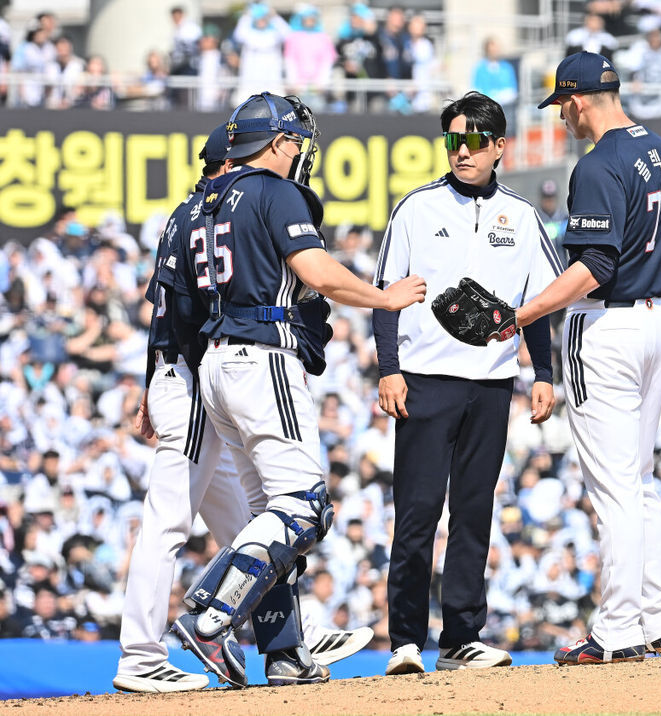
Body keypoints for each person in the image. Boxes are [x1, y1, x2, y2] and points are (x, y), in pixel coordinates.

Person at [168, 92, 425, 687]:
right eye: (296, 143)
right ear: (279, 143)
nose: (300, 154)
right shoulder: (274, 189)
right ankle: (211, 607)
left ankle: (284, 655)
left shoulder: (205, 199)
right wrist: (384, 297)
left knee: (270, 517)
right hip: (262, 360)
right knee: (304, 506)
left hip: (216, 363)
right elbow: (314, 271)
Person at [113, 124, 374, 693]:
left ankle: (283, 644)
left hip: (189, 370)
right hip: (194, 375)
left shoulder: (186, 214)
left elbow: (168, 307)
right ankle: (153, 647)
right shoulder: (223, 209)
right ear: (229, 162)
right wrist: (165, 381)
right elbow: (185, 316)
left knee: (252, 519)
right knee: (173, 518)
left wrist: (153, 379)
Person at [517, 51, 661, 664]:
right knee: (639, 479)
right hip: (659, 322)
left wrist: (523, 315)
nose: (561, 117)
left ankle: (619, 627)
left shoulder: (598, 165)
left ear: (578, 100)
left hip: (610, 328)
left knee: (614, 486)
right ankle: (658, 614)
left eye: (561, 105)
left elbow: (594, 267)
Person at [373, 91, 562, 675]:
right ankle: (405, 638)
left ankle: (460, 638)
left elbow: (537, 303)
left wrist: (544, 374)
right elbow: (386, 295)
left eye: (475, 141)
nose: (463, 151)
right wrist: (388, 368)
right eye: (454, 140)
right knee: (417, 512)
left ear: (500, 146)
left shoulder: (523, 216)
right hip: (425, 380)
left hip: (491, 384)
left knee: (474, 511)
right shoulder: (416, 208)